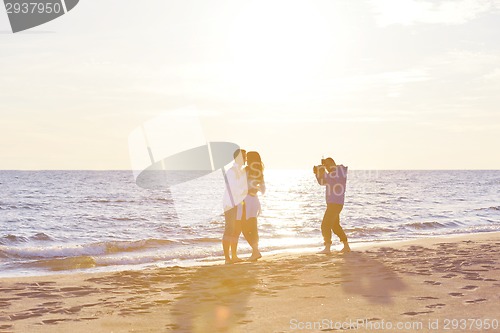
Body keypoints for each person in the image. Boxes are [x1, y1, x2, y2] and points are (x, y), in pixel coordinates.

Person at [314, 157, 350, 254]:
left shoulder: (339, 172)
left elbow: (330, 178)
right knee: (335, 226)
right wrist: (317, 173)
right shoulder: (333, 173)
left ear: (332, 163)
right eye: (325, 165)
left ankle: (327, 248)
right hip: (334, 203)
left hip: (335, 203)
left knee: (325, 225)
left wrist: (320, 170)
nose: (326, 167)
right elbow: (322, 182)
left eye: (327, 165)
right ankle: (346, 246)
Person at [238, 151, 265, 261]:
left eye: (248, 158)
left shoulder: (246, 170)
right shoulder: (259, 172)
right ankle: (255, 251)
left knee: (244, 227)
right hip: (255, 201)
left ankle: (255, 251)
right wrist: (255, 189)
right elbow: (263, 190)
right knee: (253, 226)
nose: (246, 160)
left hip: (246, 201)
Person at [222, 149, 248, 264]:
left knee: (237, 230)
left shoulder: (241, 171)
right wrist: (244, 191)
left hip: (238, 203)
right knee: (229, 229)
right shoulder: (231, 172)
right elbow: (233, 189)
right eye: (244, 157)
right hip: (230, 204)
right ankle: (227, 258)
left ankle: (234, 256)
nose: (246, 159)